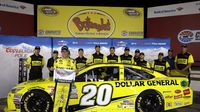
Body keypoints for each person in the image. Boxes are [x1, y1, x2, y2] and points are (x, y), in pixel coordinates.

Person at [53, 46, 76, 112]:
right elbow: (55, 69)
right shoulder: (57, 60)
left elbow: (74, 71)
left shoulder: (73, 61)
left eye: (65, 51)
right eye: (63, 52)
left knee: (66, 99)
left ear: (68, 52)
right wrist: (53, 69)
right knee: (56, 98)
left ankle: (64, 110)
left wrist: (76, 71)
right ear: (61, 52)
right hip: (59, 83)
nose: (64, 53)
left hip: (68, 84)